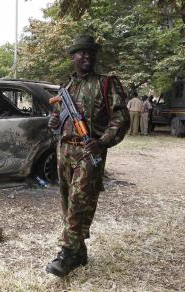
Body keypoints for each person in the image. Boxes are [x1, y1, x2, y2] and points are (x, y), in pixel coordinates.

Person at [46, 35, 130, 277]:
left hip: (88, 151)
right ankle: (80, 252)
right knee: (67, 203)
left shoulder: (106, 83)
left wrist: (102, 141)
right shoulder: (66, 87)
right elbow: (57, 117)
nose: (86, 56)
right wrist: (52, 121)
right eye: (81, 53)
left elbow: (121, 119)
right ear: (72, 57)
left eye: (90, 52)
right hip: (64, 151)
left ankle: (67, 254)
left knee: (80, 202)